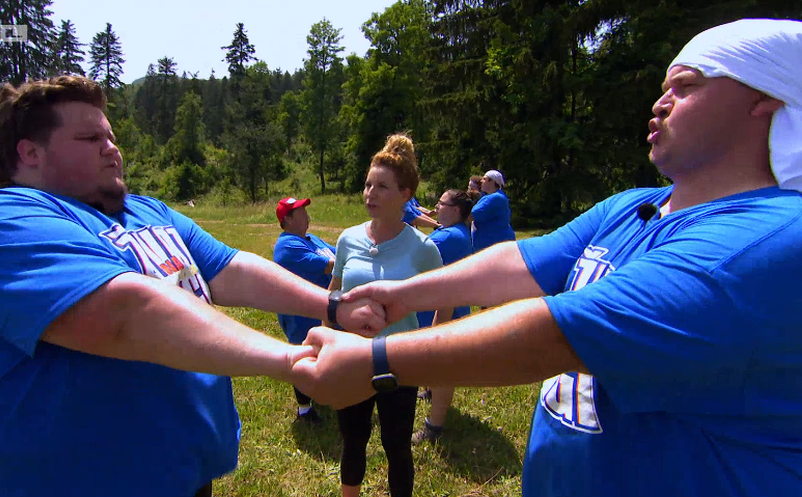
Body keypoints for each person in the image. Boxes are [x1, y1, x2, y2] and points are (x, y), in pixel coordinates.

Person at [292, 19, 802, 497]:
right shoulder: (633, 206)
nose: (660, 103)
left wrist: (376, 361)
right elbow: (523, 261)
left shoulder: (767, 238)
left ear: (765, 99)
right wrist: (403, 294)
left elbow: (561, 333)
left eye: (686, 86)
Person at [0, 75, 386, 497]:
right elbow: (126, 313)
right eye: (90, 138)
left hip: (179, 476)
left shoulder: (144, 211)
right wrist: (293, 361)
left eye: (111, 136)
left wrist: (333, 305)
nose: (112, 148)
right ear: (30, 152)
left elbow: (229, 268)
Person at [327, 133, 449, 497]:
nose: (370, 193)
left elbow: (447, 296)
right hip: (351, 356)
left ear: (405, 194)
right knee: (353, 440)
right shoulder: (348, 239)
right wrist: (325, 337)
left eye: (382, 186)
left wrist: (432, 341)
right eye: (368, 185)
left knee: (397, 446)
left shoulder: (422, 247)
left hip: (399, 360)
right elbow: (332, 294)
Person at [411, 189, 475, 444]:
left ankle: (434, 426)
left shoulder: (450, 236)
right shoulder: (456, 232)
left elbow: (414, 254)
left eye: (441, 203)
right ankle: (430, 391)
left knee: (442, 365)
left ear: (456, 210)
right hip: (446, 306)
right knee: (436, 361)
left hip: (446, 310)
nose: (436, 207)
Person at [273, 196, 336, 424]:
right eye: (300, 212)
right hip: (301, 314)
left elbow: (338, 253)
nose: (307, 215)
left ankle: (323, 393)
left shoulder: (312, 239)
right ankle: (304, 410)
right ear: (288, 219)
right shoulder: (287, 245)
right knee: (304, 356)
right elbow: (330, 265)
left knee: (323, 352)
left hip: (320, 309)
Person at [470, 169, 516, 252]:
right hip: (495, 243)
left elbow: (473, 214)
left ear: (492, 181)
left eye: (484, 179)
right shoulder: (492, 197)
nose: (481, 181)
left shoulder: (495, 198)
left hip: (494, 243)